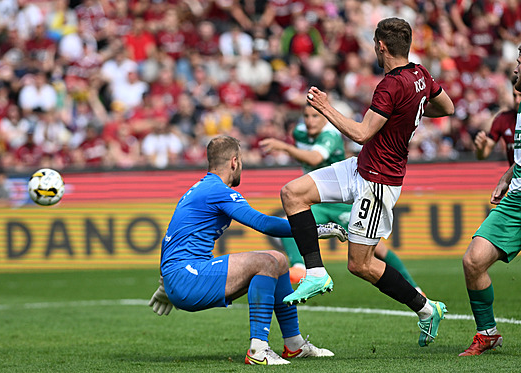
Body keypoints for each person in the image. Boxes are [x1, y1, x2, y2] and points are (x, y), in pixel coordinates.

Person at [279, 18, 455, 347]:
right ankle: (315, 272)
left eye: (375, 44)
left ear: (381, 46)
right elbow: (447, 107)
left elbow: (361, 133)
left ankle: (426, 308)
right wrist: (410, 111)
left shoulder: (390, 86)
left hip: (378, 181)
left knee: (360, 265)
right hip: (361, 167)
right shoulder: (421, 74)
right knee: (293, 193)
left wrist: (327, 108)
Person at [147, 135, 346, 365]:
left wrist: (165, 282)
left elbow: (169, 238)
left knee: (279, 260)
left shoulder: (199, 188)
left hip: (181, 276)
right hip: (187, 277)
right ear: (234, 162)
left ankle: (294, 345)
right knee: (266, 263)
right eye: (240, 160)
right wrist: (314, 230)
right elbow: (263, 223)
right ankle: (258, 350)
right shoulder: (217, 191)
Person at [259, 103, 424, 295]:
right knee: (289, 225)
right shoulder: (299, 132)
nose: (310, 121)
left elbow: (314, 159)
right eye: (306, 116)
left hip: (341, 201)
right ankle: (299, 267)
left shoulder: (331, 135)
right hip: (318, 201)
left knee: (377, 249)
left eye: (315, 116)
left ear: (325, 118)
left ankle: (415, 288)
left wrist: (284, 148)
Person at [459, 45, 521, 356]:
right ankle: (487, 333)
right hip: (515, 200)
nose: (515, 70)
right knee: (473, 261)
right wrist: (506, 177)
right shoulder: (513, 114)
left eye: (520, 64)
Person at [474, 83, 521, 166]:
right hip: (515, 177)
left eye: (520, 95)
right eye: (514, 96)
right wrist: (481, 148)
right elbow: (483, 155)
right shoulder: (503, 119)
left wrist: (506, 177)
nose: (517, 100)